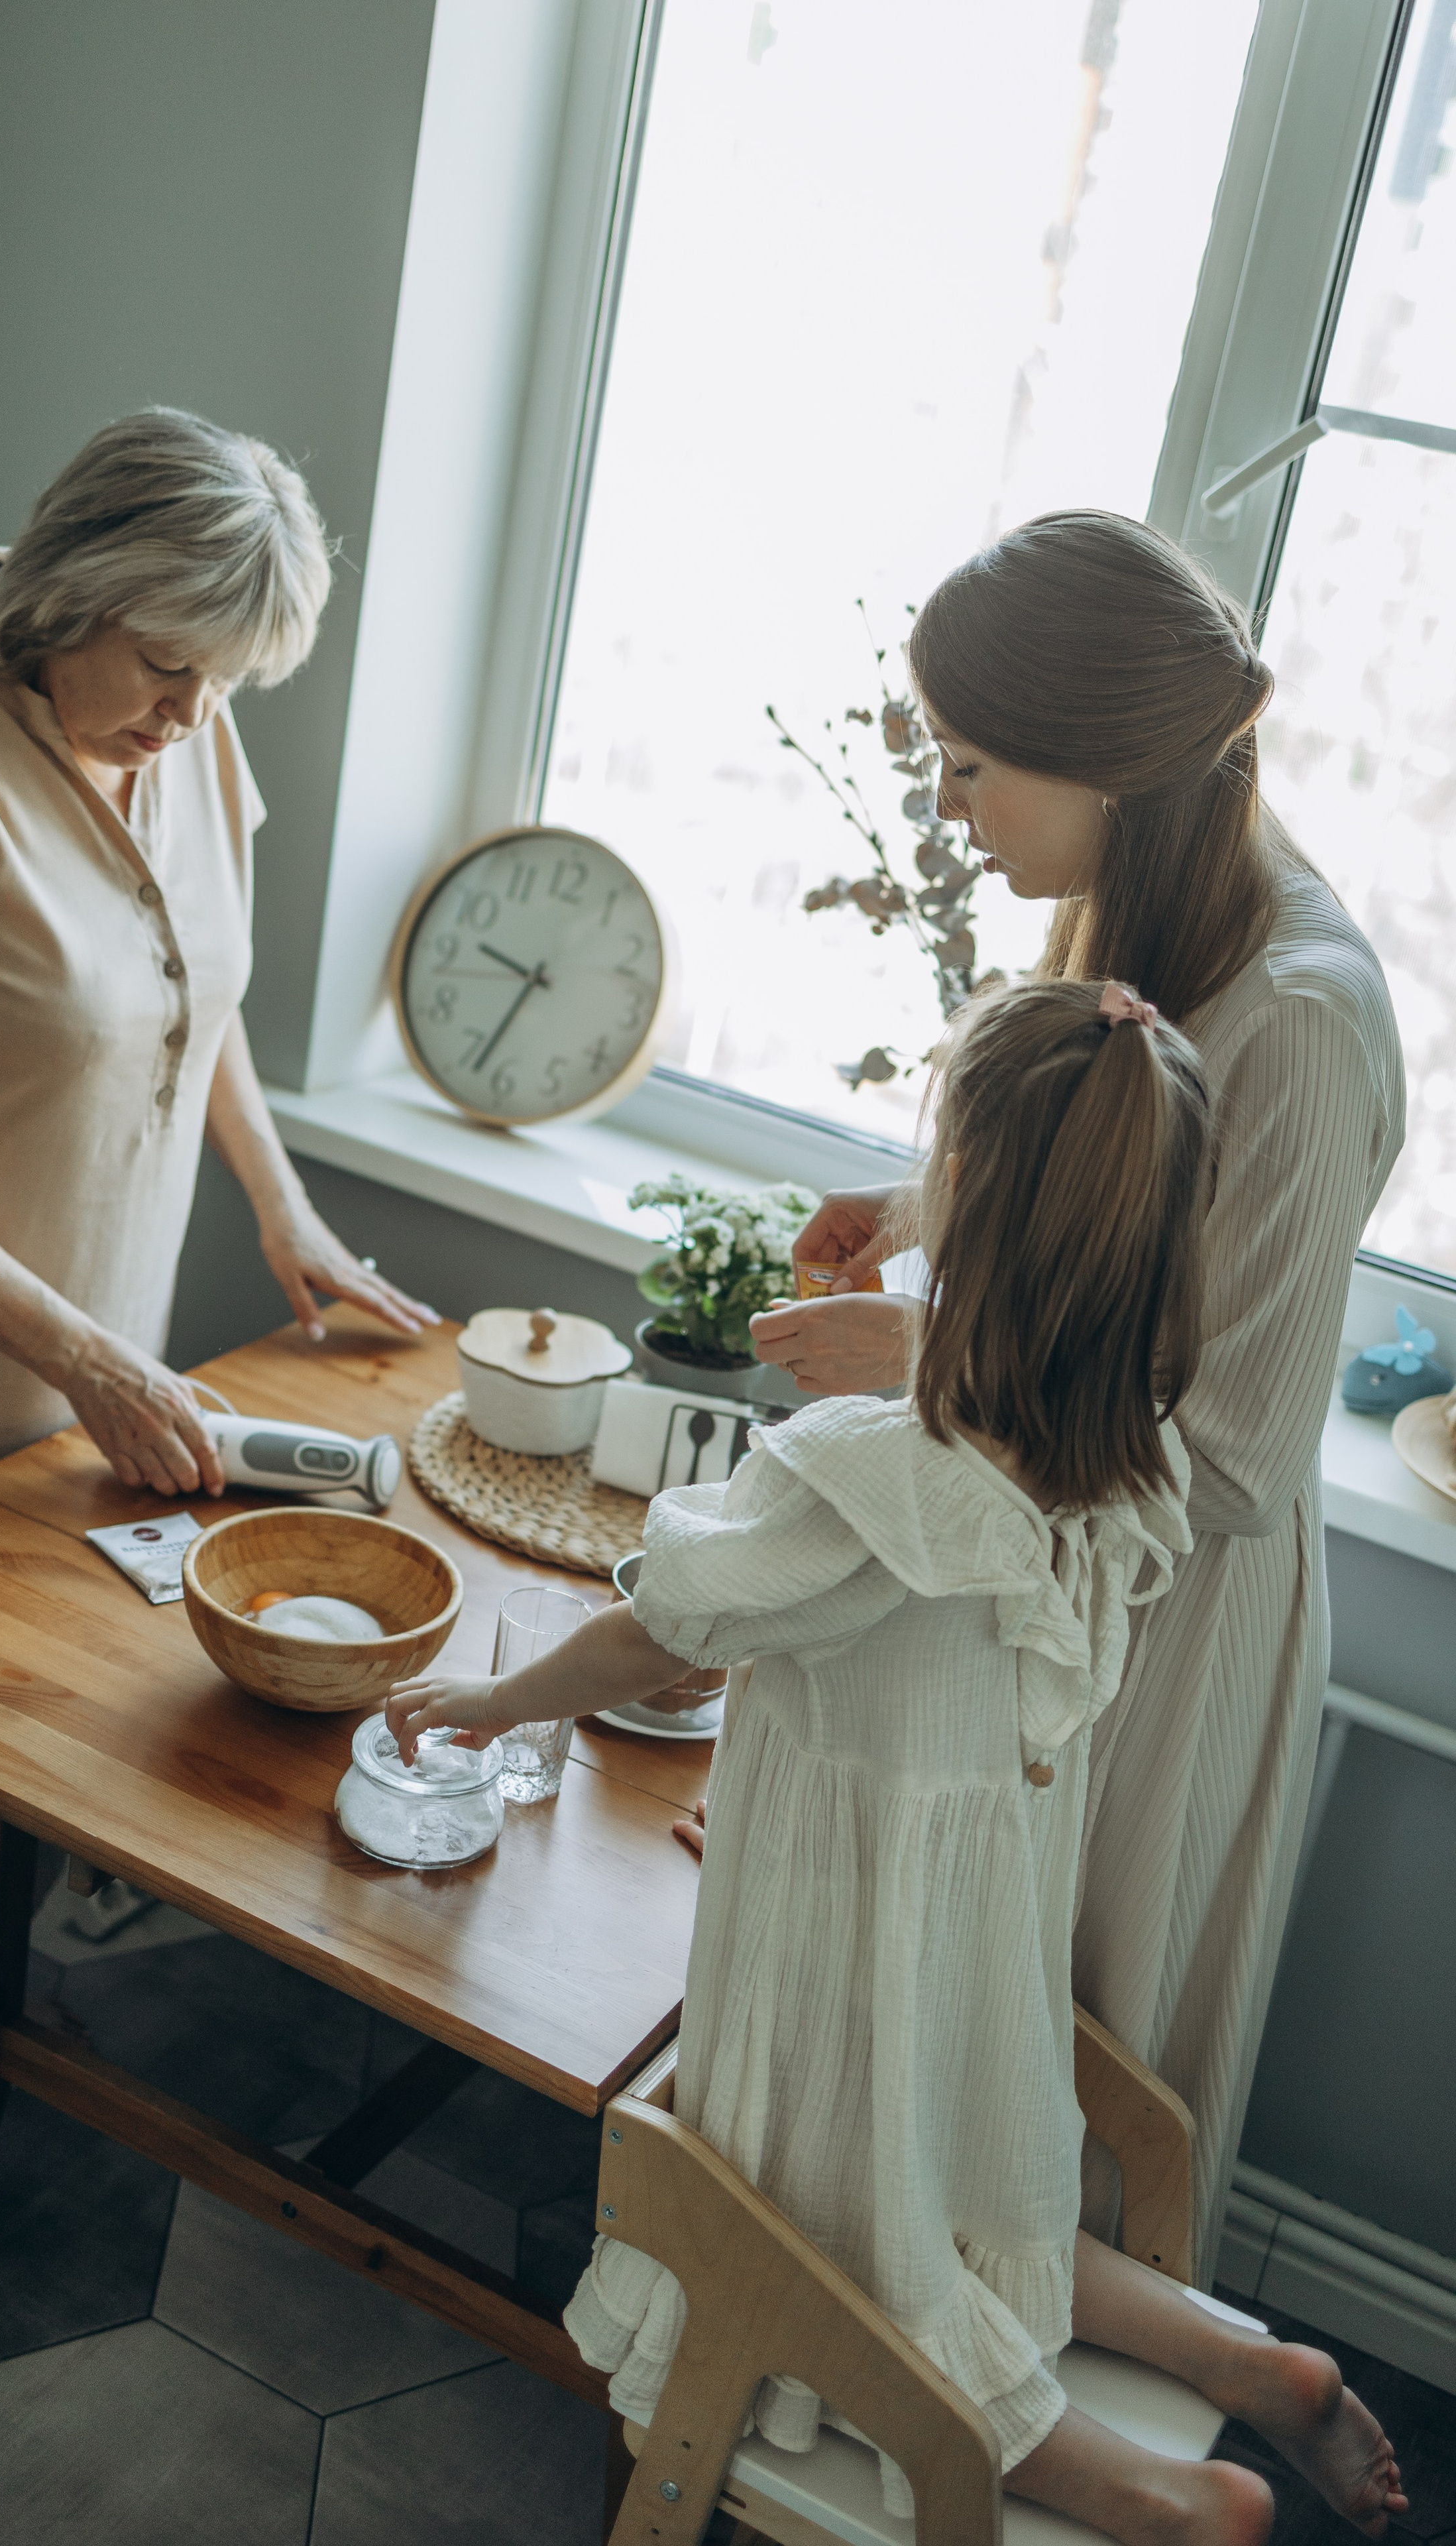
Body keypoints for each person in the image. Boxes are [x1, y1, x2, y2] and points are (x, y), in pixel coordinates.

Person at [388, 981, 1405, 2543]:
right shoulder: (1114, 1440)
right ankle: (1247, 2357)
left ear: (973, 1214)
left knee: (846, 2251)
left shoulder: (871, 1469)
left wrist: (493, 1700)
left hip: (836, 1952)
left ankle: (1155, 2495)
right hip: (972, 1930)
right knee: (960, 2201)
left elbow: (656, 1640)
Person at [0, 408, 435, 2188]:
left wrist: (284, 1213)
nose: (193, 718)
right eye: (166, 667)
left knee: (22, 1682)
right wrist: (79, 1350)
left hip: (95, 1303)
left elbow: (186, 987)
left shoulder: (178, 727)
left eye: (229, 683)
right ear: (72, 590)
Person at [749, 512, 1404, 2280]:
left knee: (1059, 2074)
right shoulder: (1127, 919)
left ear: (1102, 759)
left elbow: (1247, 1459)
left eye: (969, 764)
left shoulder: (1306, 1022)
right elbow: (1108, 1207)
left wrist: (946, 1359)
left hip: (1168, 1629)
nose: (950, 805)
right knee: (939, 2062)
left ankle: (1086, 2452)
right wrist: (922, 1211)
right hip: (1041, 1583)